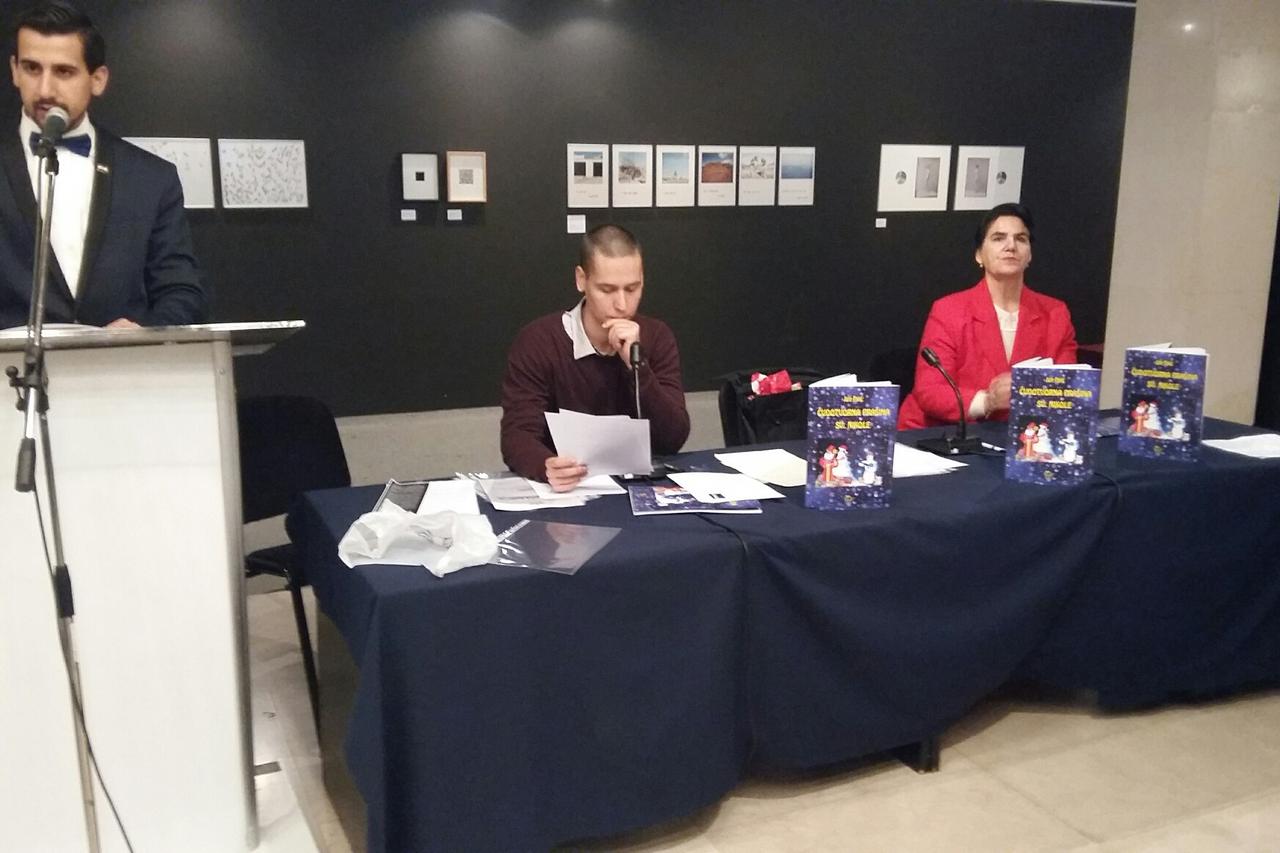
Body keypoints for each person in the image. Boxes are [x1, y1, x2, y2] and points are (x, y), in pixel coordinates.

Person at [0, 1, 207, 330]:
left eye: (63, 72)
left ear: (97, 79)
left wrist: (145, 332)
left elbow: (181, 292)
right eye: (32, 68)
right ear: (14, 70)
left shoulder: (152, 178)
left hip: (123, 362)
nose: (45, 89)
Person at [500, 224, 690, 491]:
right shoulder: (539, 341)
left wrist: (637, 366)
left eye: (632, 289)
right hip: (568, 488)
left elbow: (673, 439)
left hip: (638, 484)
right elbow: (517, 435)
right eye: (607, 290)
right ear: (581, 280)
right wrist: (545, 465)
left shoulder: (656, 336)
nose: (622, 304)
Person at [898, 203, 1077, 429]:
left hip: (1022, 434)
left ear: (1029, 255)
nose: (1011, 246)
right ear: (979, 255)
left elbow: (1065, 391)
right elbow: (930, 391)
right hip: (941, 433)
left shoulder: (1055, 313)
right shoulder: (948, 310)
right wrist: (988, 402)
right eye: (998, 238)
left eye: (1021, 239)